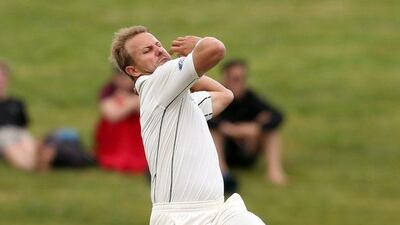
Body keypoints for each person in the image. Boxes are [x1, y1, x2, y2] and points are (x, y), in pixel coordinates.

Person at [110, 26, 266, 224]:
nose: (158, 49)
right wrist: (198, 46)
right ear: (133, 70)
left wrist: (187, 76)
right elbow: (215, 49)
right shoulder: (155, 82)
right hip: (180, 216)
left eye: (157, 44)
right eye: (147, 51)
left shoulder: (178, 100)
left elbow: (225, 96)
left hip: (216, 211)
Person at [209, 60, 287, 190]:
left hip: (247, 147)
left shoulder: (250, 98)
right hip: (223, 150)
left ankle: (274, 172)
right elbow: (201, 116)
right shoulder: (216, 96)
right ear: (225, 78)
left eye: (241, 79)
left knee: (270, 129)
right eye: (234, 79)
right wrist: (227, 129)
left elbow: (277, 115)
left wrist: (255, 128)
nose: (238, 83)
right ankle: (222, 172)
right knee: (214, 132)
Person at [94, 68, 147, 174]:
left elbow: (142, 107)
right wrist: (129, 104)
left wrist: (124, 102)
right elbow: (112, 115)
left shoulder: (142, 89)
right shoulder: (109, 91)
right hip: (115, 136)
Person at [0, 60, 35, 171]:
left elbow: (23, 125)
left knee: (27, 143)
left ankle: (36, 164)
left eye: (2, 77)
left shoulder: (17, 102)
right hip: (2, 134)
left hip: (18, 132)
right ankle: (29, 168)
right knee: (12, 148)